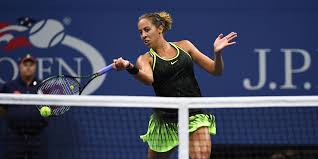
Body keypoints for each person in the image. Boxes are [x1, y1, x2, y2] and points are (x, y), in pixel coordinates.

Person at [113, 11, 237, 159]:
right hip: (165, 120)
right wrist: (129, 67)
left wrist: (217, 54)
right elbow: (148, 79)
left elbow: (215, 70)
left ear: (160, 28)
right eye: (140, 32)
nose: (143, 35)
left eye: (147, 30)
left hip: (194, 115)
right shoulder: (145, 59)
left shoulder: (185, 46)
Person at [0, 54, 47, 159]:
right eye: (25, 64)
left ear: (35, 67)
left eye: (31, 64)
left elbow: (52, 108)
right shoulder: (9, 86)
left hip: (37, 137)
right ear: (19, 66)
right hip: (14, 137)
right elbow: (2, 107)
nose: (28, 67)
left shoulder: (43, 86)